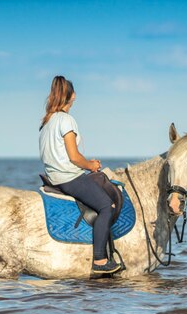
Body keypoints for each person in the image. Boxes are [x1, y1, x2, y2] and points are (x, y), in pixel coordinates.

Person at [39, 75, 121, 275]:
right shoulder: (67, 120)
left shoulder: (46, 123)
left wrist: (87, 164)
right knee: (105, 207)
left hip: (54, 177)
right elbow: (74, 157)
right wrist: (91, 165)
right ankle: (100, 260)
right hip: (69, 178)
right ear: (72, 96)